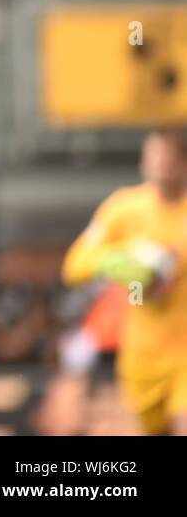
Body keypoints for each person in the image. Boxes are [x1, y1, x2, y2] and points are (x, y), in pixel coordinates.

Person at [62, 128, 187, 435]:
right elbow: (74, 264)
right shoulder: (123, 208)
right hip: (141, 355)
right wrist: (116, 261)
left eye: (168, 158)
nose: (160, 164)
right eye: (153, 156)